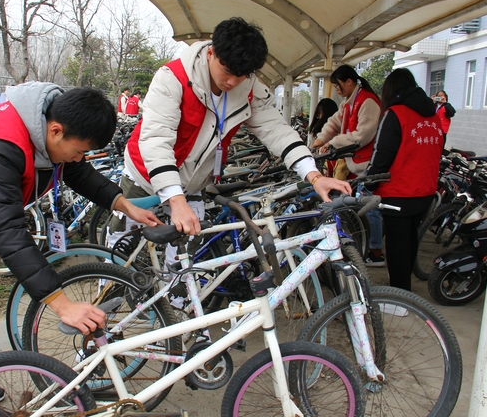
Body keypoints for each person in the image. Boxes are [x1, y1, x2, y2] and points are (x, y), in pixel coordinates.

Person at [0, 83, 162, 409]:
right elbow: (6, 231)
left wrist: (124, 205)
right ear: (55, 130)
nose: (79, 158)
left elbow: (78, 171)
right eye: (79, 150)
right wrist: (62, 304)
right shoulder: (2, 144)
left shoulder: (47, 123)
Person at [109, 17, 350, 267]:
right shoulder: (173, 78)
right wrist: (175, 199)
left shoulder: (248, 88)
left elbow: (276, 129)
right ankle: (108, 282)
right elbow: (156, 140)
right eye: (227, 71)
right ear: (211, 53)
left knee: (184, 263)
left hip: (192, 184)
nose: (232, 82)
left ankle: (176, 293)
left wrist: (314, 176)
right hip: (145, 175)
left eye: (242, 75)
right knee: (120, 248)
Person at [366, 68, 443, 293]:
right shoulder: (433, 116)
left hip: (398, 191)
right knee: (409, 240)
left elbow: (382, 153)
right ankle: (405, 290)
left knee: (397, 246)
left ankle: (400, 297)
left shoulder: (395, 114)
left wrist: (369, 181)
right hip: (425, 189)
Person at [312, 65, 384, 267]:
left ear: (349, 82)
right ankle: (364, 245)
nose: (337, 89)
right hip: (354, 163)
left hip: (367, 163)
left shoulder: (368, 101)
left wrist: (332, 143)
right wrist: (319, 141)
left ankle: (376, 252)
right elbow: (334, 123)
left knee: (370, 208)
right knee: (357, 205)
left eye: (338, 85)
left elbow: (363, 135)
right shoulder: (348, 103)